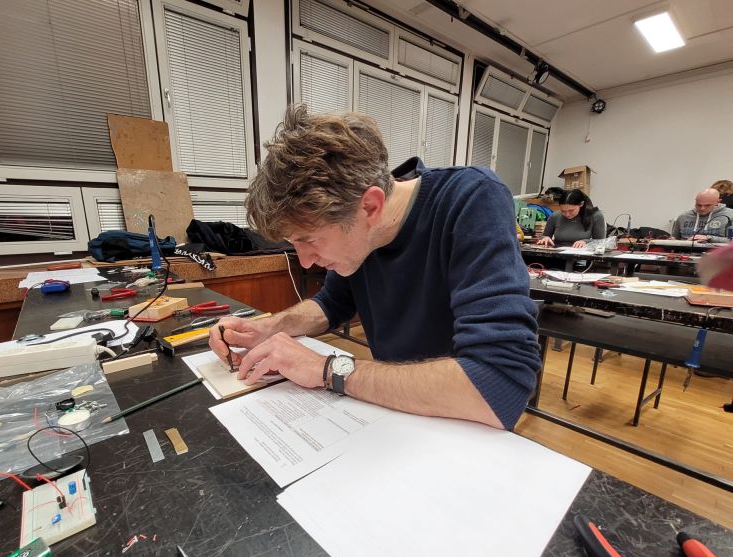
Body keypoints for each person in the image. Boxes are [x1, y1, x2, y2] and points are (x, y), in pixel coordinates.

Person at [208, 104, 541, 431]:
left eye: (308, 240)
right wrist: (267, 328)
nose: (305, 261)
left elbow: (499, 384)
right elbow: (331, 303)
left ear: (370, 206)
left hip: (461, 427)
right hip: (392, 414)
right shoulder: (358, 227)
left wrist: (328, 370)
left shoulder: (472, 199)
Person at [535, 189, 605, 248]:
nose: (567, 214)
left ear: (581, 204)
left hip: (582, 255)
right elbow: (544, 236)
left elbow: (600, 242)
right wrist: (545, 238)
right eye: (563, 211)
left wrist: (585, 242)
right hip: (558, 254)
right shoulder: (555, 216)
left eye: (571, 210)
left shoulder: (596, 216)